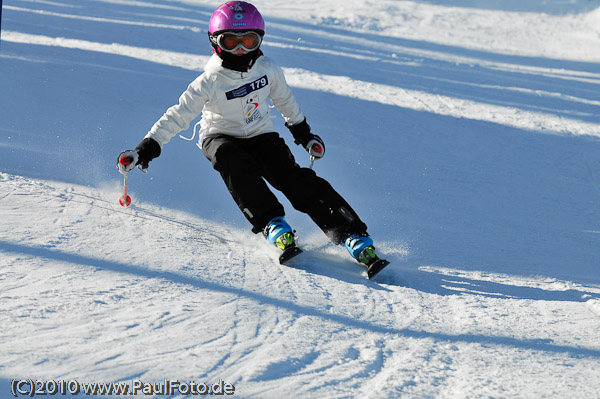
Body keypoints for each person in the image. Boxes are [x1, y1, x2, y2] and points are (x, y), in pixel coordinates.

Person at [117, 1, 386, 271]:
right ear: (216, 42)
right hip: (220, 136)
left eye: (248, 40)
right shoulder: (209, 81)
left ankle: (352, 234)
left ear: (260, 40)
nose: (240, 49)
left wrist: (304, 134)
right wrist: (145, 149)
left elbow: (285, 100)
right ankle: (271, 222)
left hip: (260, 134)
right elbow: (178, 115)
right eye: (231, 41)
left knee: (293, 180)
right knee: (231, 160)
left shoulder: (267, 68)